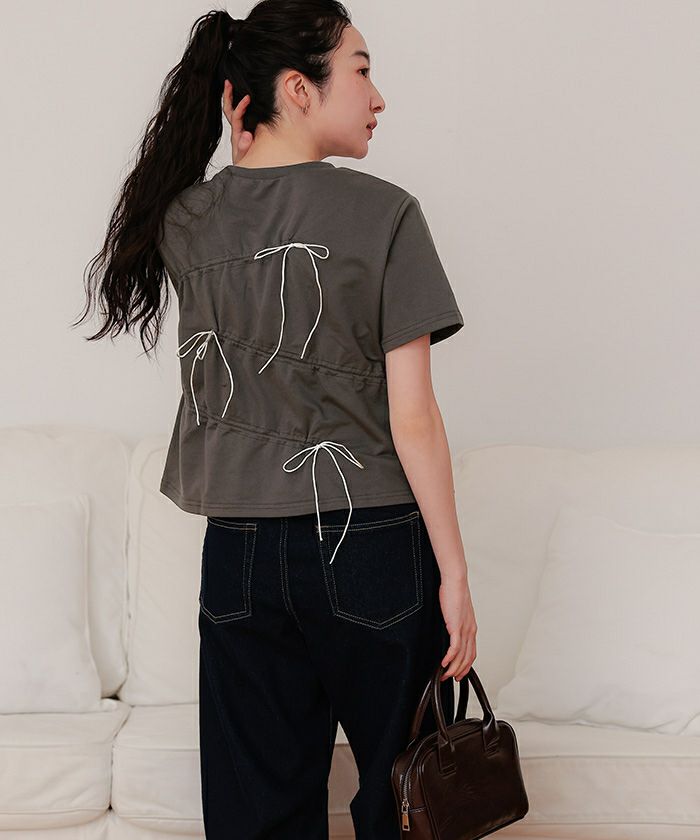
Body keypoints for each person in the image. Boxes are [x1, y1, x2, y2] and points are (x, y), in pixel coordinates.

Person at [73, 2, 478, 837]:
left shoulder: (187, 220)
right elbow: (414, 418)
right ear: (298, 88)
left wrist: (242, 156)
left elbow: (249, 219)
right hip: (370, 544)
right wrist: (455, 574)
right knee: (409, 805)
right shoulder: (388, 214)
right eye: (361, 69)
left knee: (257, 811)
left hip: (240, 555)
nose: (378, 96)